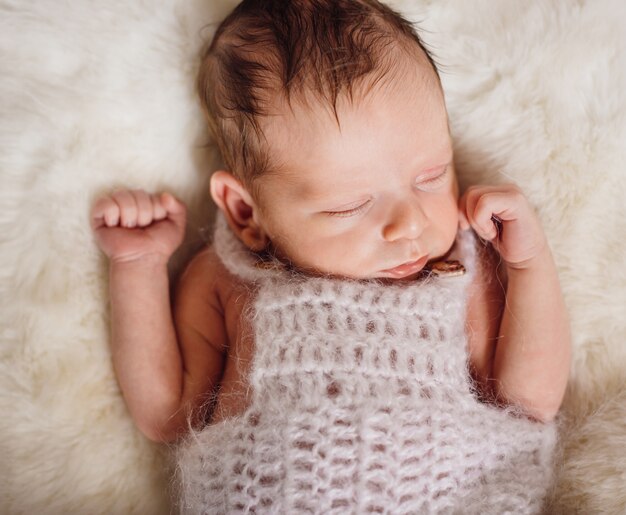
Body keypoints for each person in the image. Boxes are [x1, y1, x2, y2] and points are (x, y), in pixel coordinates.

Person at [90, 0, 571, 512]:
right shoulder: (228, 280)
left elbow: (531, 402)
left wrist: (527, 263)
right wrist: (137, 267)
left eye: (431, 177)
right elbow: (167, 413)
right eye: (351, 206)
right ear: (246, 214)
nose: (409, 224)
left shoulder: (459, 273)